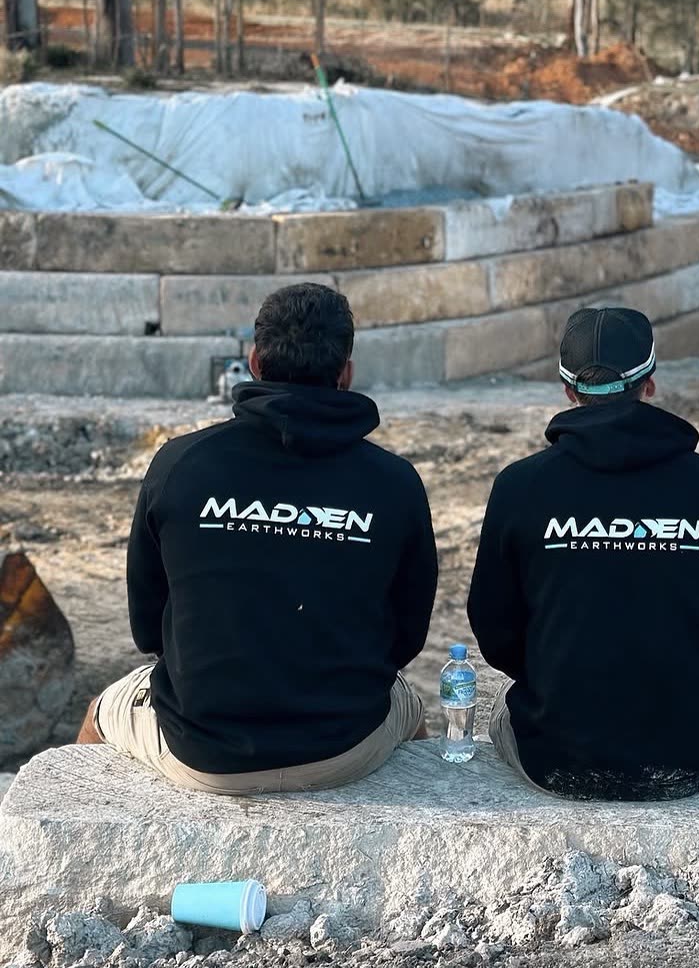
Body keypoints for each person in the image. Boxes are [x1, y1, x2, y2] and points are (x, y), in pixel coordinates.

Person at [76, 282, 439, 795]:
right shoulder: (396, 481)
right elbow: (406, 637)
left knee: (99, 712)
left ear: (253, 361)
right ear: (347, 372)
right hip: (345, 745)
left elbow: (147, 629)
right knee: (407, 706)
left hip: (204, 748)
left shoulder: (180, 464)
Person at [467, 306, 699, 800]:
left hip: (556, 756)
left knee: (500, 703)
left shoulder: (521, 487)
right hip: (692, 760)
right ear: (649, 383)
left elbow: (495, 630)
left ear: (567, 390)